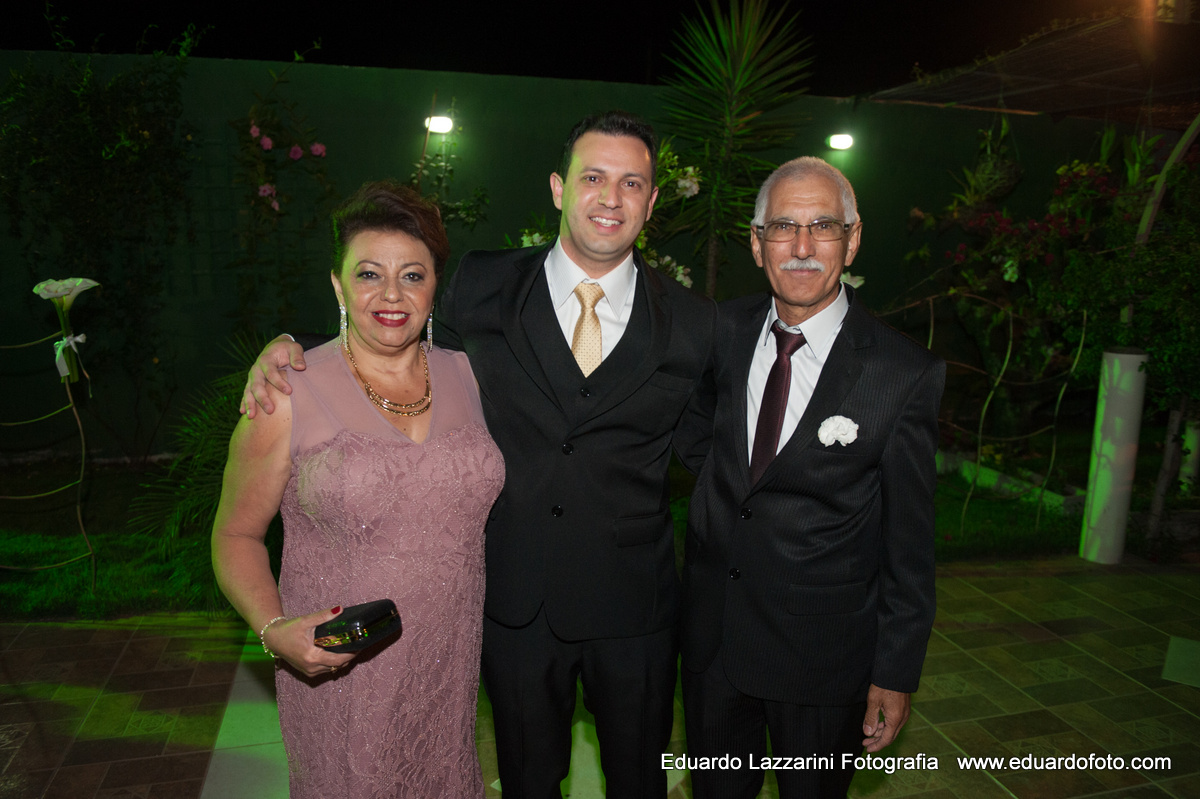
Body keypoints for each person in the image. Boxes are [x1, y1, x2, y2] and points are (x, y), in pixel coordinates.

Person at [242, 111, 717, 798]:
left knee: (640, 782)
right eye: (593, 177)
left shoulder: (693, 323)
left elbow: (717, 458)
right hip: (513, 606)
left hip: (635, 612)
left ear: (650, 200)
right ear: (558, 188)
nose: (610, 198)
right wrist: (289, 348)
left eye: (632, 182)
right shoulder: (484, 282)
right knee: (526, 781)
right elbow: (394, 327)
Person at [213, 181, 504, 798]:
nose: (391, 295)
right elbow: (235, 534)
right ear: (338, 285)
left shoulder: (472, 375)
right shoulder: (288, 391)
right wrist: (273, 629)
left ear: (435, 287)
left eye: (413, 275)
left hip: (448, 667)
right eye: (369, 274)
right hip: (344, 672)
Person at [680, 157, 944, 799]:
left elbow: (911, 546)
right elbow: (695, 439)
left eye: (822, 227)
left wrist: (896, 671)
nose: (801, 248)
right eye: (782, 228)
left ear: (852, 240)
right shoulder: (721, 332)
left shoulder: (901, 373)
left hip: (824, 661)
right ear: (756, 242)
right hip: (714, 647)